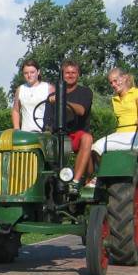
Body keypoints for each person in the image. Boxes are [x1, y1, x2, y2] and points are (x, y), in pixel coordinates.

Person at [46, 60, 95, 191]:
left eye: (73, 72)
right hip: (57, 136)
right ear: (62, 75)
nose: (70, 75)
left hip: (76, 134)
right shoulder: (52, 96)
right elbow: (47, 122)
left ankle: (75, 182)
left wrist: (61, 101)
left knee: (87, 138)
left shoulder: (85, 92)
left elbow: (81, 110)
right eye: (67, 73)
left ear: (78, 74)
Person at [91, 67, 138, 174]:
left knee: (98, 147)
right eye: (111, 82)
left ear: (124, 78)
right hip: (119, 135)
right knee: (94, 148)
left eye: (115, 80)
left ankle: (105, 175)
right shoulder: (114, 99)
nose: (113, 84)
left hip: (135, 135)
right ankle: (103, 175)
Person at [12, 59, 55, 132]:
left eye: (32, 72)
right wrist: (17, 130)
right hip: (25, 134)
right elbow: (15, 110)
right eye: (26, 73)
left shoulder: (48, 88)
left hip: (44, 134)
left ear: (38, 72)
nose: (29, 75)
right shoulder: (20, 89)